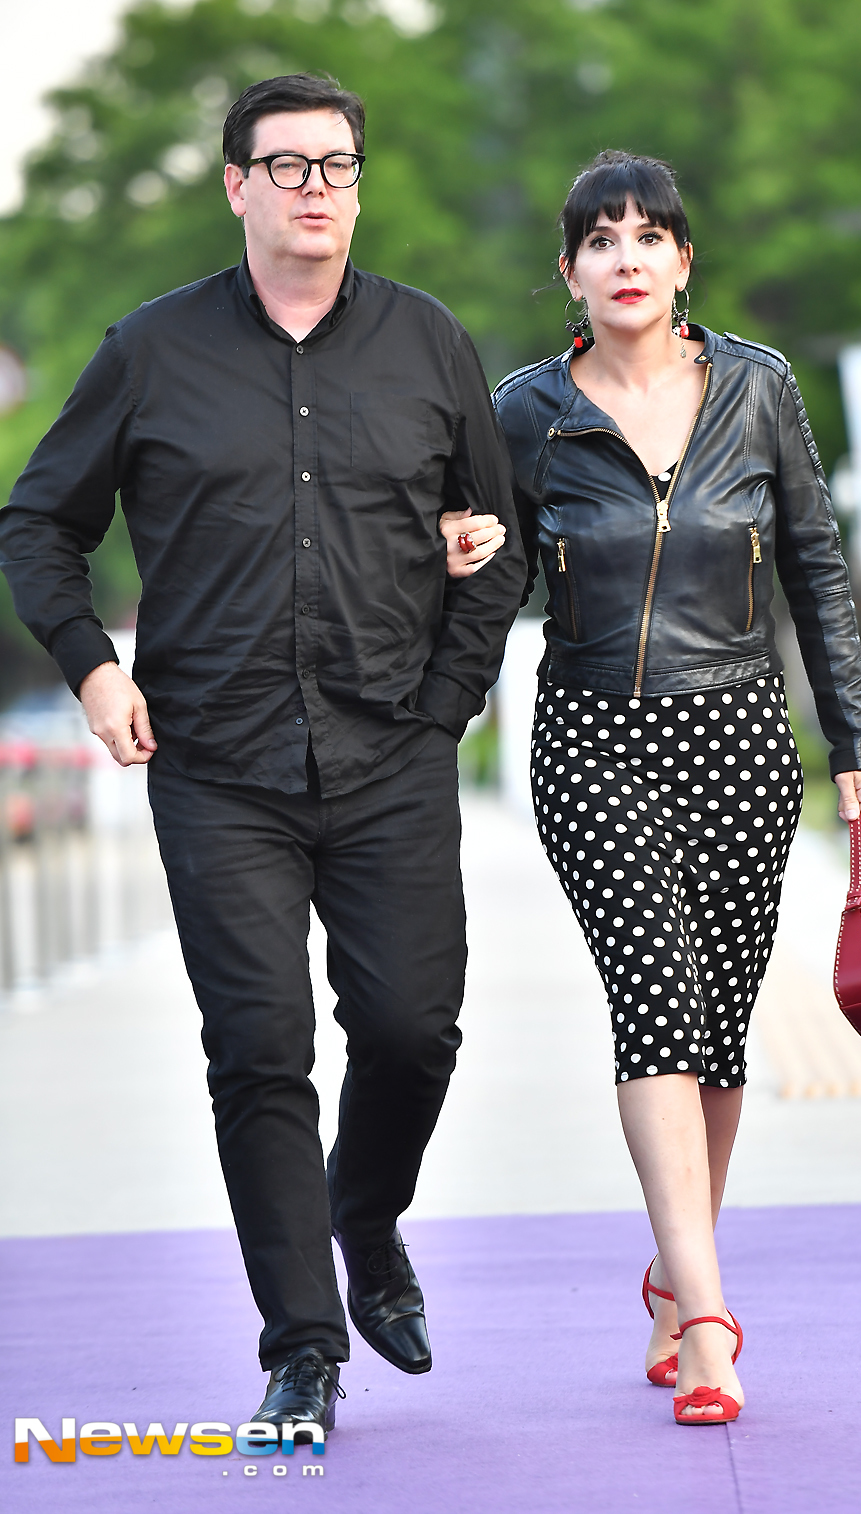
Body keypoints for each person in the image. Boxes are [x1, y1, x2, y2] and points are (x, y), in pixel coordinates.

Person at [0, 74, 525, 1431]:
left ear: (360, 183)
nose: (313, 188)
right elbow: (36, 524)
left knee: (413, 1027)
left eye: (336, 164)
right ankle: (303, 1344)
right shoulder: (152, 350)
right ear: (235, 184)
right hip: (216, 762)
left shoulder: (429, 343)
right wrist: (93, 666)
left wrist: (446, 702)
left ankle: (371, 1213)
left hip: (390, 747)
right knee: (258, 1047)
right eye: (283, 165)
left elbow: (493, 536)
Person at [443, 150, 861, 1425]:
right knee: (655, 1002)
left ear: (683, 260)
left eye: (649, 236)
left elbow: (816, 564)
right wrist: (450, 552)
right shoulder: (525, 410)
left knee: (719, 1037)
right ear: (569, 271)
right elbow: (479, 576)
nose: (626, 257)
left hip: (740, 732)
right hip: (590, 738)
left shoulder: (757, 387)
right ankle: (705, 1316)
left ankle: (666, 1269)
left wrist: (849, 739)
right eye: (600, 239)